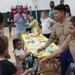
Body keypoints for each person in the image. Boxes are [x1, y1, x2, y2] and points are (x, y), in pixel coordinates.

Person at [37, 4, 73, 75]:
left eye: (56, 13)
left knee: (72, 70)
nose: (54, 15)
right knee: (64, 70)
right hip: (62, 50)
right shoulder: (56, 26)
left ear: (62, 13)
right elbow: (51, 38)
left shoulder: (71, 24)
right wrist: (43, 47)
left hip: (72, 51)